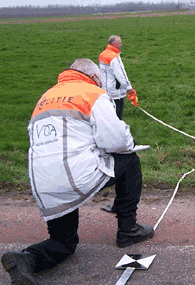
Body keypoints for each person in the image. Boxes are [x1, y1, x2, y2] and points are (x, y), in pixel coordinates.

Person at [1, 59, 153, 285]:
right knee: (130, 161)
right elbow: (116, 140)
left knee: (63, 243)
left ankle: (25, 260)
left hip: (42, 183)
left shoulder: (45, 96)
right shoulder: (91, 93)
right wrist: (130, 143)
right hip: (75, 176)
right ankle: (128, 229)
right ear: (93, 77)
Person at [99, 35, 137, 120]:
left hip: (105, 90)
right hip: (115, 92)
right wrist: (129, 88)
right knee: (118, 115)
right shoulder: (114, 57)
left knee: (108, 114)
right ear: (114, 44)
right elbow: (121, 75)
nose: (121, 45)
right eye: (119, 43)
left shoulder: (103, 54)